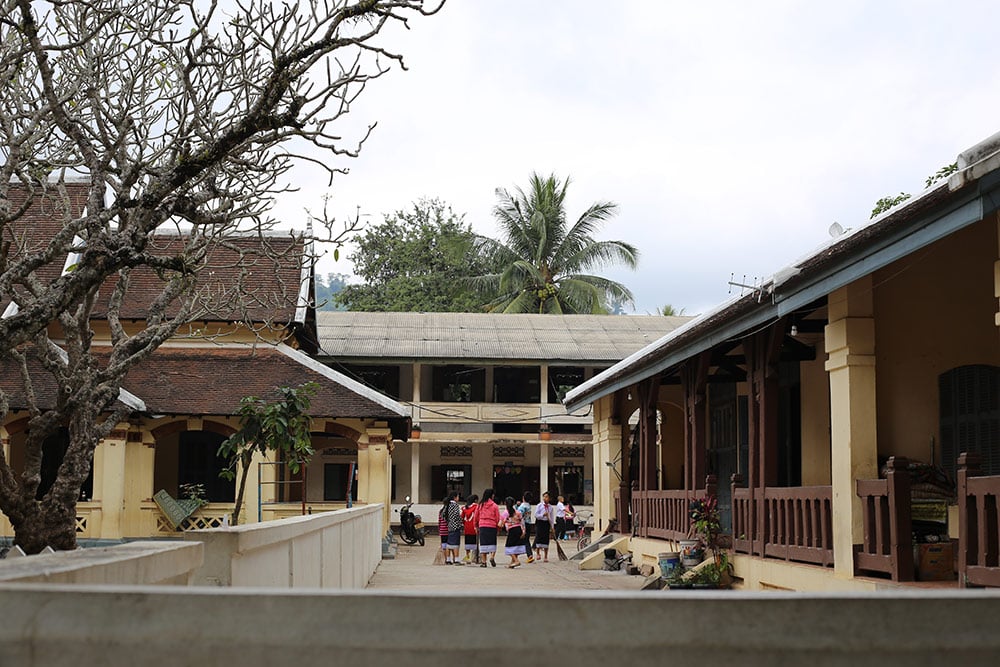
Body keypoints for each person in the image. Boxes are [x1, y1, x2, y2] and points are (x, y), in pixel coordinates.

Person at [475, 488, 500, 567]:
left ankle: (483, 562)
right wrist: (498, 528)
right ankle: (492, 557)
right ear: (491, 495)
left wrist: (475, 526)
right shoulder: (495, 506)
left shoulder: (480, 505)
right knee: (493, 542)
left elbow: (476, 516)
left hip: (482, 525)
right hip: (492, 526)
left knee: (483, 543)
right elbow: (497, 518)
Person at [501, 496, 526, 568]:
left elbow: (501, 523)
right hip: (519, 529)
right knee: (516, 546)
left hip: (512, 530)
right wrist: (524, 531)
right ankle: (512, 563)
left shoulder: (505, 512)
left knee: (509, 546)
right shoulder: (517, 512)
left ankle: (516, 561)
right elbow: (522, 521)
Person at [533, 491, 556, 562]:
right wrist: (542, 515)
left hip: (546, 523)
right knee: (539, 537)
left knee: (546, 539)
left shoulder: (550, 507)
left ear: (549, 498)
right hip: (540, 523)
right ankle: (538, 553)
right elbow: (536, 515)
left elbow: (552, 518)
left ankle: (546, 556)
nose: (545, 498)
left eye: (547, 497)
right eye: (544, 497)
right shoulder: (539, 506)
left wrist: (552, 527)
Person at [446, 491, 463, 564]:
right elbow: (457, 515)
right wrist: (460, 522)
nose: (458, 498)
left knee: (449, 543)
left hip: (449, 526)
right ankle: (456, 559)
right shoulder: (455, 505)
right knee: (455, 543)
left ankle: (448, 559)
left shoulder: (448, 505)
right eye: (458, 496)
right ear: (455, 497)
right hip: (455, 526)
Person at [461, 494, 479, 563]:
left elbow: (462, 517)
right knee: (475, 542)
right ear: (475, 500)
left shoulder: (464, 508)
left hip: (467, 527)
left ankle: (467, 557)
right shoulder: (476, 507)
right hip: (474, 527)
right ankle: (474, 557)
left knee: (467, 542)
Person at [517, 491, 534, 563]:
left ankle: (516, 555)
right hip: (529, 523)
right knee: (526, 540)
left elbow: (518, 515)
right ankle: (529, 554)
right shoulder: (528, 506)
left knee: (521, 540)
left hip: (523, 524)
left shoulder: (522, 506)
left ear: (523, 498)